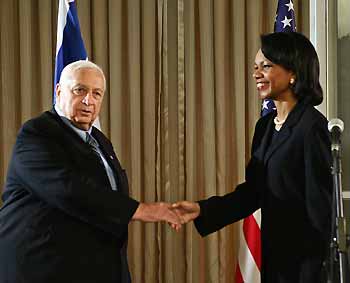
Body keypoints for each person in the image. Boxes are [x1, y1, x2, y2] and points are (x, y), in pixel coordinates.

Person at [0, 60, 181, 283]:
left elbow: (109, 193)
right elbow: (67, 188)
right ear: (59, 91)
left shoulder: (99, 139)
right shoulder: (37, 133)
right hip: (43, 268)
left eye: (97, 94)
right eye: (80, 90)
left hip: (96, 266)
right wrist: (141, 210)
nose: (89, 101)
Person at [172, 32, 333, 283]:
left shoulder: (312, 128)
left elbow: (321, 215)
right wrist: (202, 209)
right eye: (255, 67)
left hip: (304, 269)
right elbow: (253, 194)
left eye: (266, 66)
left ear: (294, 72)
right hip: (273, 263)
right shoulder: (265, 127)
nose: (256, 73)